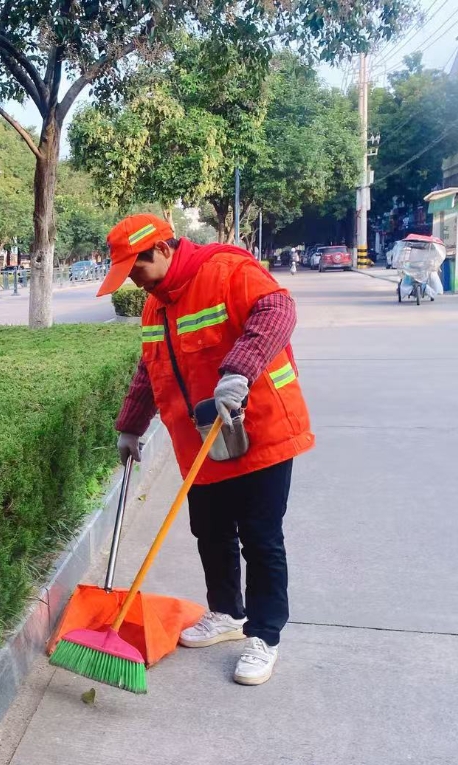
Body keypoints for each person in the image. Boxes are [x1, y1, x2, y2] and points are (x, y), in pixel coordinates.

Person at [97, 214, 314, 686]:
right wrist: (130, 427)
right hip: (202, 440)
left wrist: (239, 370)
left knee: (260, 537)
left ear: (162, 249)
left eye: (136, 268)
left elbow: (278, 309)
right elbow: (150, 369)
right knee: (211, 532)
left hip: (259, 429)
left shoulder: (226, 271)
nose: (133, 281)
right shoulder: (156, 306)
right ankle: (227, 614)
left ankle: (265, 636)